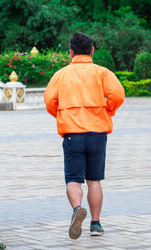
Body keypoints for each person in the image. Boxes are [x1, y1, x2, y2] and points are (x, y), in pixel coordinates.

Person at [44, 32, 125, 240]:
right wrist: (107, 110)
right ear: (92, 51)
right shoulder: (102, 72)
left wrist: (63, 114)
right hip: (97, 132)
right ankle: (96, 224)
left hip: (73, 134)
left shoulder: (61, 75)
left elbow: (49, 101)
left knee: (73, 180)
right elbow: (118, 94)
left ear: (70, 52)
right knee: (95, 180)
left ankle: (77, 208)